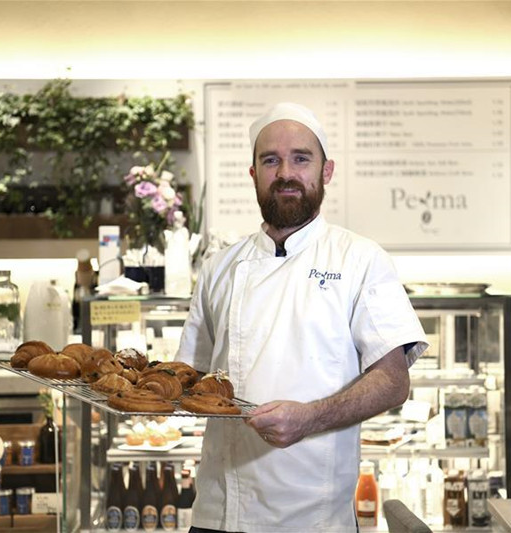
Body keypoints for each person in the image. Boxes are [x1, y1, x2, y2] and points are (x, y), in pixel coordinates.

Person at [174, 102, 428, 533]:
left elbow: (393, 381)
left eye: (301, 159)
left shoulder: (360, 259)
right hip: (217, 511)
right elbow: (190, 379)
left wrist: (309, 417)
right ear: (253, 174)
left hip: (314, 517)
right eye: (270, 160)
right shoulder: (219, 267)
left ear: (326, 172)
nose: (285, 172)